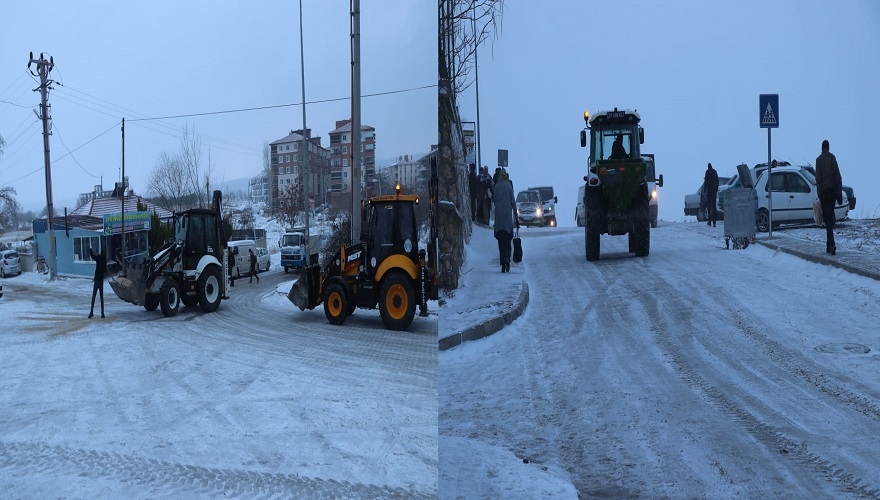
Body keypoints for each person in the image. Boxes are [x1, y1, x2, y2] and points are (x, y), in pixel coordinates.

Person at [815, 139, 843, 255]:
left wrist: (819, 194)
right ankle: (829, 245)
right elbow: (838, 175)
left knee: (827, 219)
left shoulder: (818, 160)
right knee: (829, 217)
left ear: (822, 148)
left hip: (824, 193)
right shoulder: (832, 158)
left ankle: (831, 245)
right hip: (832, 191)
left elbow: (818, 179)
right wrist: (839, 193)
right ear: (828, 147)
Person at [492, 169, 517, 273]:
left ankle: (502, 260)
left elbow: (494, 200)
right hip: (507, 216)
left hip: (498, 216)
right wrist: (516, 216)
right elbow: (513, 202)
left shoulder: (496, 186)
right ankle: (507, 259)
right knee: (507, 238)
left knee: (500, 239)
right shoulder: (509, 186)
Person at [88, 246, 106, 318]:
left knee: (94, 297)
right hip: (101, 281)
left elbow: (92, 256)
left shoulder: (98, 258)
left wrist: (90, 250)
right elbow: (104, 270)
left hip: (96, 281)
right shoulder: (104, 260)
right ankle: (102, 313)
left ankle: (91, 312)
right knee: (101, 298)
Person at [704, 162, 719, 227]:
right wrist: (716, 189)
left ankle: (710, 221)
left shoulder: (707, 172)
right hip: (714, 191)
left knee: (709, 206)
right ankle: (714, 222)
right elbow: (717, 181)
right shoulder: (715, 172)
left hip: (709, 191)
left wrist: (705, 189)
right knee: (714, 206)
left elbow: (706, 181)